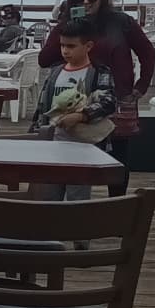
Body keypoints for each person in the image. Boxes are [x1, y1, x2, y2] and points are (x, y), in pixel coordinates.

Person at [38, 0, 155, 175]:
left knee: (117, 157)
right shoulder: (67, 24)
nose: (85, 2)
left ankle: (117, 203)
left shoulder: (121, 22)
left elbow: (147, 52)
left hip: (116, 96)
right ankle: (72, 199)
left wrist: (141, 85)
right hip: (73, 100)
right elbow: (44, 59)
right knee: (72, 153)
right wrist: (69, 30)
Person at [31, 16, 118, 199]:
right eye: (62, 46)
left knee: (77, 193)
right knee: (48, 193)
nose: (65, 51)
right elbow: (42, 106)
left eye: (71, 46)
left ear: (88, 46)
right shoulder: (56, 71)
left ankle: (75, 225)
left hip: (82, 144)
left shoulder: (99, 72)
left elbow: (108, 102)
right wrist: (35, 136)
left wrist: (81, 116)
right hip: (53, 142)